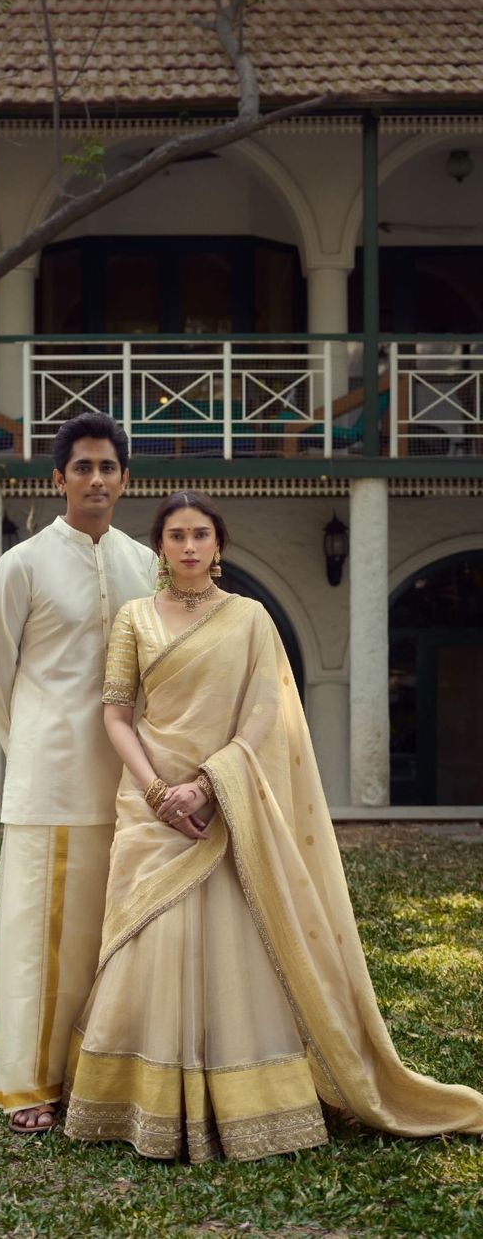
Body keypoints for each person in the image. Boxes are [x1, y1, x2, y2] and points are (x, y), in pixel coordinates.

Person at [64, 490, 483, 1162]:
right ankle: (136, 1101)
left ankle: (248, 1101)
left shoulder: (252, 618)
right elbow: (117, 713)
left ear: (219, 545)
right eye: (177, 535)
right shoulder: (135, 618)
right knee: (152, 939)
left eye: (201, 533)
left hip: (225, 799)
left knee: (233, 939)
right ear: (161, 547)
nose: (190, 546)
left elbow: (267, 711)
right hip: (152, 806)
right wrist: (157, 790)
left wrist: (206, 784)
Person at [0, 412, 156, 1134]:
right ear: (58, 479)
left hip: (128, 786)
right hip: (49, 786)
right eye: (81, 467)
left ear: (125, 479)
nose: (95, 479)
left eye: (107, 466)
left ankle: (96, 1075)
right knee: (39, 942)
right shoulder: (21, 564)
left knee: (109, 939)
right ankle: (28, 1088)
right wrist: (32, 759)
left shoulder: (143, 563)